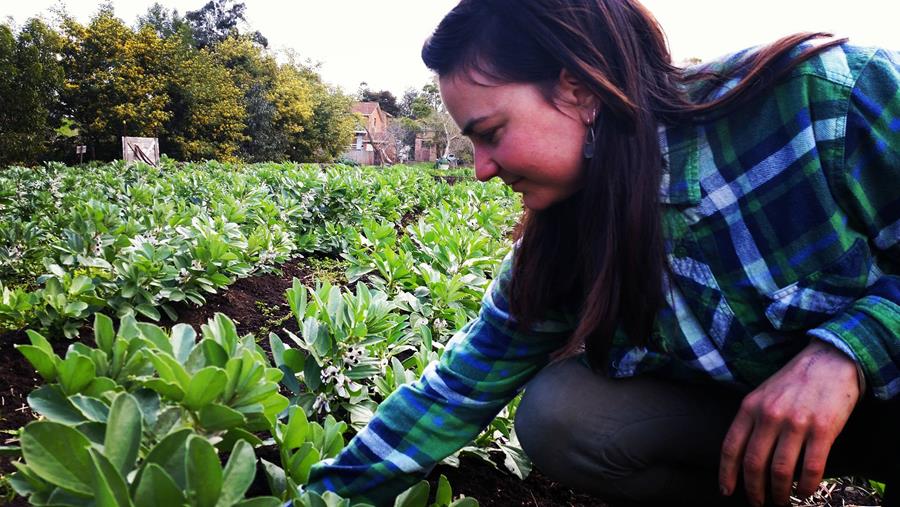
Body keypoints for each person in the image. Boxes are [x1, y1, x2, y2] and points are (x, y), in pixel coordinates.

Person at [305, 0, 900, 505]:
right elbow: (454, 387)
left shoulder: (822, 98)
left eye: (490, 134)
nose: (482, 170)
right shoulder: (566, 238)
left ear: (579, 88)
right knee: (562, 416)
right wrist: (326, 498)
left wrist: (846, 351)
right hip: (772, 436)